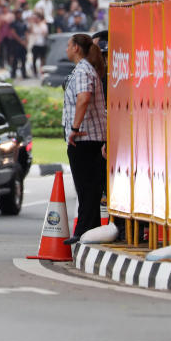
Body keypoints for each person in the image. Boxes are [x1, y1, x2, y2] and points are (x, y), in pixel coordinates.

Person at [61, 33, 107, 245]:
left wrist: (74, 128)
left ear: (76, 48)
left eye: (69, 45)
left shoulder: (82, 71)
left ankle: (83, 230)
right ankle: (90, 230)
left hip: (84, 138)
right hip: (92, 138)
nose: (67, 49)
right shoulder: (87, 69)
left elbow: (84, 98)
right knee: (90, 188)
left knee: (86, 188)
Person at [8, 6, 28, 79]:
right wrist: (20, 41)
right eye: (18, 13)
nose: (19, 15)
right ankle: (13, 74)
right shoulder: (13, 23)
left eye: (20, 13)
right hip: (16, 44)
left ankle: (24, 74)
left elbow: (26, 32)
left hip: (23, 44)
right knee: (15, 60)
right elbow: (13, 33)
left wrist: (26, 41)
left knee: (23, 60)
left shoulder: (23, 22)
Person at [28, 12, 49, 77]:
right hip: (35, 44)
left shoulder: (43, 25)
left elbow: (45, 33)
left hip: (42, 44)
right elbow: (30, 31)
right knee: (34, 59)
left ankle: (43, 71)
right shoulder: (33, 25)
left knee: (42, 59)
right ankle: (35, 72)